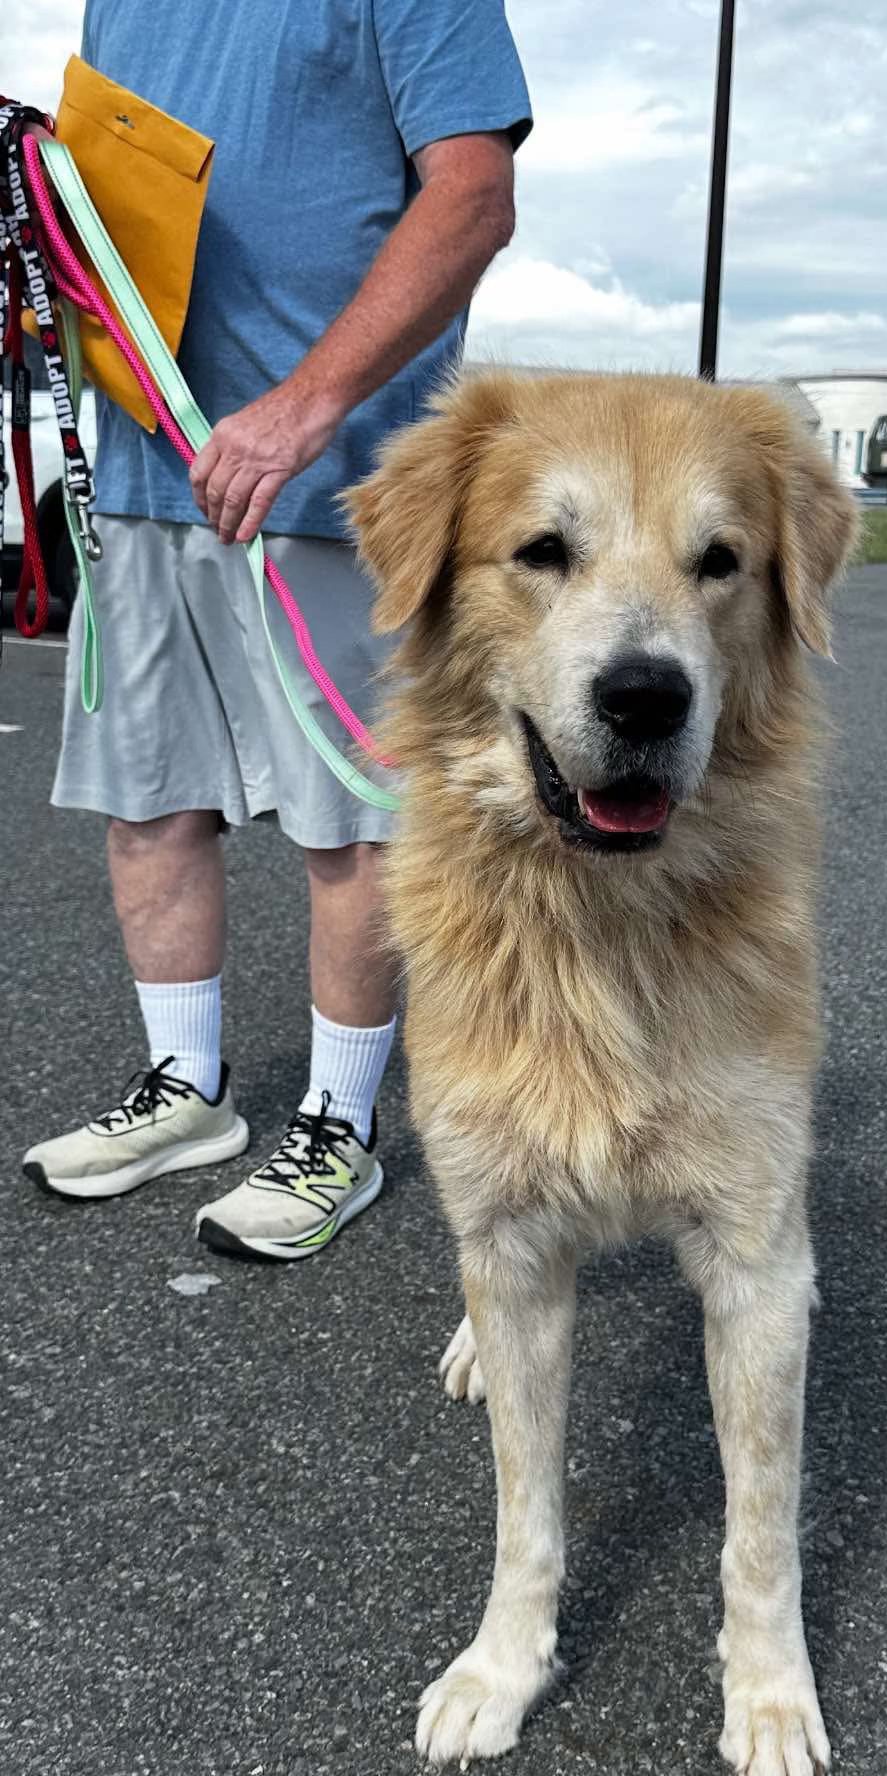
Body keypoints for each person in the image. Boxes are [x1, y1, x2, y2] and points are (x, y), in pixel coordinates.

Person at [21, 1, 531, 1263]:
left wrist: (308, 406)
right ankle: (187, 1089)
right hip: (141, 467)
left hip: (328, 479)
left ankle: (339, 1125)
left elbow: (473, 197)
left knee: (350, 821)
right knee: (148, 799)